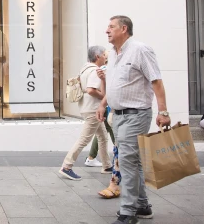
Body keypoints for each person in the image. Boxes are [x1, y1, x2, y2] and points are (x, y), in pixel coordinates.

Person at [96, 15, 170, 224]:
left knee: (126, 162)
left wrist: (163, 112)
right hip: (118, 116)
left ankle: (128, 213)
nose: (107, 30)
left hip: (136, 115)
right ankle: (143, 206)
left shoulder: (140, 50)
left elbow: (156, 81)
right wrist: (103, 104)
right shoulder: (113, 53)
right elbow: (113, 84)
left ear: (124, 29)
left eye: (111, 27)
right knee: (133, 161)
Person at [59, 46, 112, 181]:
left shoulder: (84, 69)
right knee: (84, 139)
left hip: (86, 108)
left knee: (103, 136)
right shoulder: (95, 71)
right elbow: (90, 90)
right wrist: (103, 97)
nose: (106, 57)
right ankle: (67, 166)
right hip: (93, 109)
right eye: (104, 54)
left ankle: (106, 165)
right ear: (97, 56)